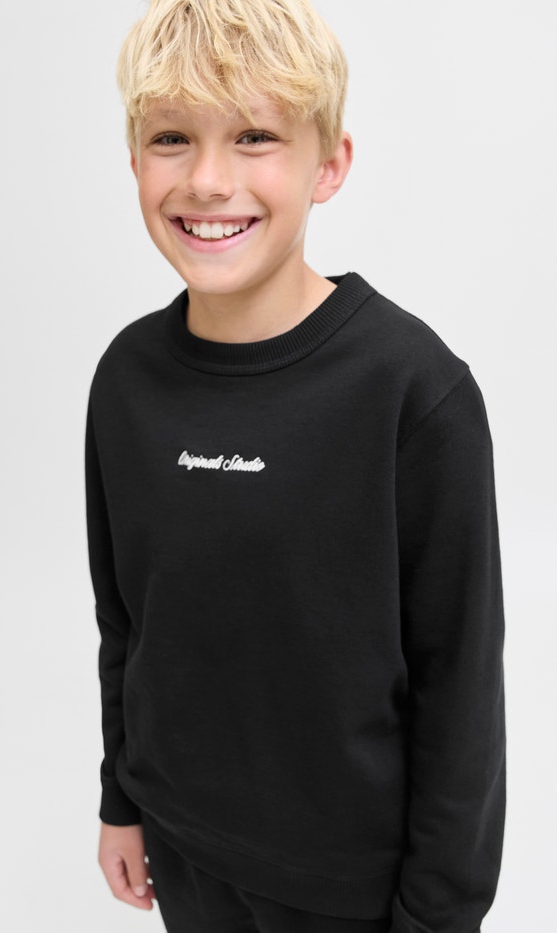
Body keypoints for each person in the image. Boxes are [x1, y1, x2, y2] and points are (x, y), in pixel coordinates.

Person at [84, 1, 507, 930]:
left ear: (330, 165)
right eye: (171, 138)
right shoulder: (126, 380)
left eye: (255, 136)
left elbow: (461, 689)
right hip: (184, 850)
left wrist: (437, 916)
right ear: (134, 159)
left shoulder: (413, 392)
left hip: (349, 892)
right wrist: (123, 796)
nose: (207, 180)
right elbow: (127, 620)